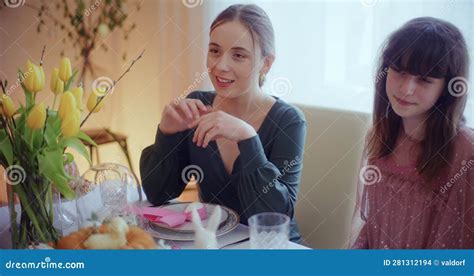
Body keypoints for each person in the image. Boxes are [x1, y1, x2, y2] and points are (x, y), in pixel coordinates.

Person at [140, 4, 306, 243]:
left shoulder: (288, 121)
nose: (220, 66)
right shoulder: (196, 106)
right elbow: (158, 194)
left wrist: (248, 138)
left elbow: (276, 216)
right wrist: (165, 134)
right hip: (214, 244)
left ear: (266, 63)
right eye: (215, 51)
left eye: (238, 55)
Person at [351, 17, 473, 249]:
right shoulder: (380, 134)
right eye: (399, 70)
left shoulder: (466, 152)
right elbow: (371, 230)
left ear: (447, 89)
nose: (406, 89)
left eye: (425, 80)